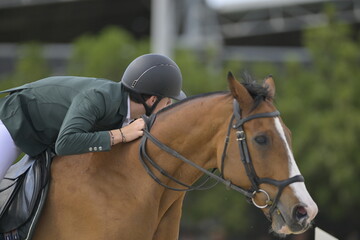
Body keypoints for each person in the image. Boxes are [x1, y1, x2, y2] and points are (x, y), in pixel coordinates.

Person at [0, 53, 186, 181]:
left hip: (46, 134)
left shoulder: (129, 112)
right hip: (16, 121)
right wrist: (120, 134)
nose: (169, 106)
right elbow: (65, 143)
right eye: (168, 101)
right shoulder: (98, 98)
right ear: (152, 99)